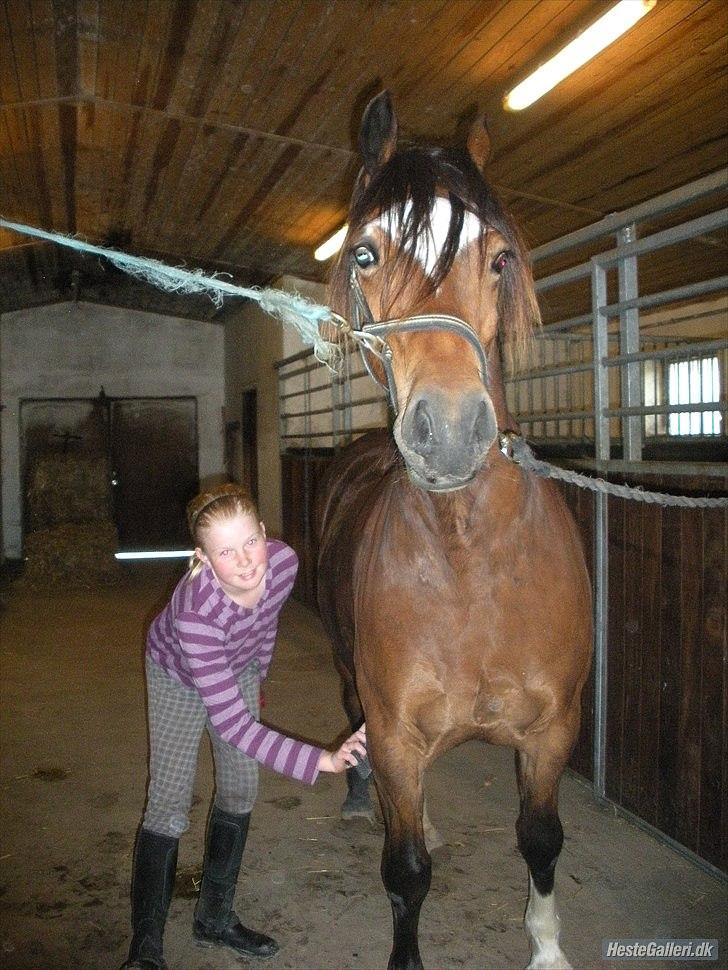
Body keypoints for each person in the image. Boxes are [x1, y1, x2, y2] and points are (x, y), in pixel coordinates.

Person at [121, 482, 366, 970]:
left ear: (262, 532)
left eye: (250, 541)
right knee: (169, 802)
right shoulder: (196, 611)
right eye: (226, 552)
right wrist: (324, 759)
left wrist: (259, 679)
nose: (246, 561)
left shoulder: (285, 564)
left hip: (238, 667)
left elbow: (264, 626)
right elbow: (234, 728)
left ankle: (213, 918)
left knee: (240, 789)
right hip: (177, 675)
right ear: (203, 557)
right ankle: (146, 947)